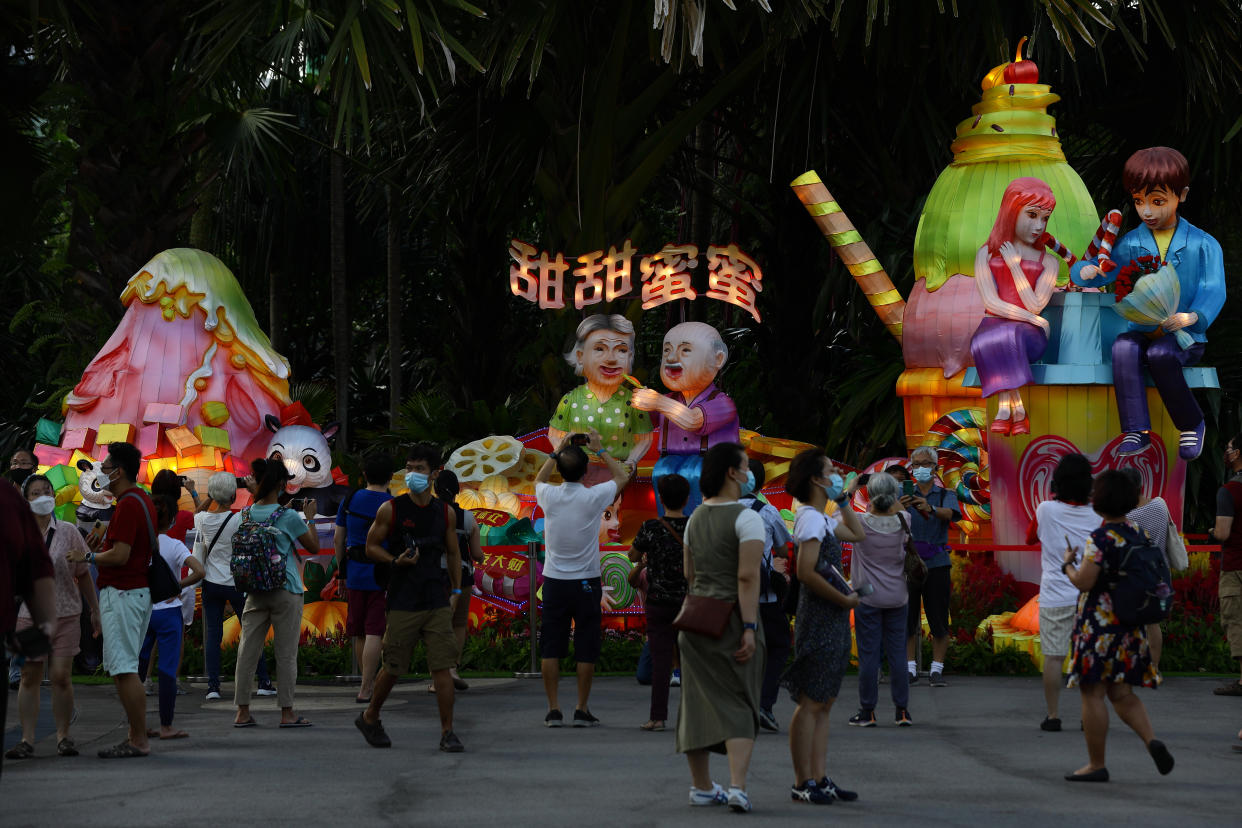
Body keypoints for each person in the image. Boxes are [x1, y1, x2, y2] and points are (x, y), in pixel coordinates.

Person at [1073, 147, 1225, 459]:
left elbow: (1214, 290)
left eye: (1157, 201)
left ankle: (1191, 422)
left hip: (1184, 336)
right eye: (1139, 201)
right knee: (1124, 347)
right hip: (1143, 329)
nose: (1147, 211)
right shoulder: (1129, 242)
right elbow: (1101, 272)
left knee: (1161, 354)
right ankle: (1135, 429)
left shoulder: (1204, 244)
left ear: (1181, 195)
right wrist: (1087, 271)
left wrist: (1191, 317)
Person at [1062, 469, 1173, 782]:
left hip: (1099, 628)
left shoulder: (1100, 538)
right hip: (1130, 627)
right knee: (1122, 694)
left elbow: (1084, 582)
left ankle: (1097, 764)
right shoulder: (1140, 533)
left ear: (1099, 502)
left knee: (1092, 694)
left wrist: (1068, 564)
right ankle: (1152, 740)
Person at [355, 443, 464, 752]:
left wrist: (456, 590)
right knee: (392, 667)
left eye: (419, 469)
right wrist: (393, 561)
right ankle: (370, 715)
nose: (412, 474)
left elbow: (454, 553)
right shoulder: (391, 508)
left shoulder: (445, 512)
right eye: (409, 468)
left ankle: (447, 732)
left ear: (435, 474)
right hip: (403, 599)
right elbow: (370, 546)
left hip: (436, 598)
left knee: (442, 667)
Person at [676, 442, 765, 813]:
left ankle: (701, 787)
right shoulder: (748, 518)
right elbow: (747, 577)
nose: (749, 474)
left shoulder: (695, 517)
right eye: (745, 467)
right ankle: (737, 787)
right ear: (732, 472)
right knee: (741, 702)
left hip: (695, 618)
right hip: (731, 618)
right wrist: (748, 626)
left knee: (695, 704)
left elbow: (689, 573)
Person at [66, 441, 156, 758]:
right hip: (130, 593)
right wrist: (104, 535)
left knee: (124, 669)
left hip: (124, 594)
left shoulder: (130, 504)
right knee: (124, 668)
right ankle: (136, 735)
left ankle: (138, 739)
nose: (101, 472)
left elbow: (121, 556)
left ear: (118, 472)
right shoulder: (136, 500)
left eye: (105, 468)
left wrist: (87, 556)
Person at [534, 429, 629, 727]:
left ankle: (553, 709)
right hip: (587, 582)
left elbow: (537, 479)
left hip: (554, 582)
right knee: (586, 645)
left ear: (559, 469)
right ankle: (581, 708)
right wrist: (599, 449)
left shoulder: (548, 495)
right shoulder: (593, 497)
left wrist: (557, 450)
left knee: (551, 646)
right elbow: (622, 477)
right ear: (586, 471)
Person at [780, 449, 860, 805]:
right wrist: (843, 600)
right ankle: (802, 781)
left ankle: (820, 777)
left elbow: (857, 533)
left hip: (832, 616)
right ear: (815, 478)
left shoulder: (822, 518)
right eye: (830, 471)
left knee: (824, 702)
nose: (836, 475)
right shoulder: (810, 519)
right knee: (811, 702)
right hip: (821, 616)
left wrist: (843, 500)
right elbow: (805, 571)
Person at [6, 474, 99, 760]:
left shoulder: (69, 531)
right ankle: (27, 739)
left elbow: (83, 574)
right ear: (26, 500)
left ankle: (63, 737)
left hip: (67, 613)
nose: (43, 496)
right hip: (29, 616)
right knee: (30, 677)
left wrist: (94, 609)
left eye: (47, 491)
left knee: (61, 676)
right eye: (36, 493)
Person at [232, 459, 319, 729]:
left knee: (247, 650)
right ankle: (287, 713)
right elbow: (313, 547)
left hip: (254, 590)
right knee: (285, 652)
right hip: (286, 588)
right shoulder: (287, 516)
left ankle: (242, 712)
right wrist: (310, 518)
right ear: (281, 485)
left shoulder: (244, 516)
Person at [969, 177, 1060, 435]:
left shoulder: (1050, 263)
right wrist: (1033, 319)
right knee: (985, 338)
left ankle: (1004, 410)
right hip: (999, 325)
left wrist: (1014, 267)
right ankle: (1017, 409)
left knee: (1009, 333)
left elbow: (1034, 304)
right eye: (1032, 215)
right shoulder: (985, 253)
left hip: (1028, 336)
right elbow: (990, 302)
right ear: (1011, 211)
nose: (1039, 225)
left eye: (1044, 218)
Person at [632, 321, 740, 515]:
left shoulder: (722, 403)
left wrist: (657, 403)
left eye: (686, 350)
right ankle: (671, 527)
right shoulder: (666, 400)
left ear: (718, 359)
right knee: (661, 474)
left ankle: (700, 531)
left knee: (696, 476)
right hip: (669, 461)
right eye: (667, 350)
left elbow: (693, 421)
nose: (672, 357)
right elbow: (641, 423)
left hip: (711, 463)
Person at [193, 471, 275, 701]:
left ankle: (213, 687)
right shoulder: (241, 518)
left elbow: (197, 512)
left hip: (211, 582)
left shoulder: (203, 520)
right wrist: (251, 489)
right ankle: (264, 681)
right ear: (232, 496)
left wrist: (209, 496)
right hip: (238, 582)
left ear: (212, 494)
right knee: (251, 633)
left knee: (213, 636)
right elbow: (260, 510)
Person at [1032, 453, 1100, 731]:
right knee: (1089, 658)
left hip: (1054, 594)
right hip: (1088, 596)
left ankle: (1053, 716)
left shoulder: (1045, 509)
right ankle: (1089, 716)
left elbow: (1034, 535)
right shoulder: (1098, 515)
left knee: (1053, 656)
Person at [548, 313, 653, 482]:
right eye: (599, 349)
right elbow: (555, 433)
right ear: (581, 357)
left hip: (618, 474)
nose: (611, 359)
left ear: (630, 357)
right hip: (579, 475)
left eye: (621, 350)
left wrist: (632, 461)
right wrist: (566, 458)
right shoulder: (571, 400)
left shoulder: (634, 402)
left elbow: (645, 437)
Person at [844, 472, 913, 728]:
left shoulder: (860, 521)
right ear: (893, 495)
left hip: (867, 596)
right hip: (897, 595)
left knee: (869, 654)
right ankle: (902, 710)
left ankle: (868, 710)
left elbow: (834, 517)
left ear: (870, 496)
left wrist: (852, 490)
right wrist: (889, 494)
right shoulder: (904, 519)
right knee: (897, 654)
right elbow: (896, 506)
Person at [1, 481, 56, 781]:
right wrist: (44, 624)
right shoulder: (8, 498)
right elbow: (37, 570)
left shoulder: (8, 499)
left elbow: (36, 567)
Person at [137, 495, 204, 740]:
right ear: (172, 519)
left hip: (143, 611)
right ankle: (166, 725)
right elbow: (199, 571)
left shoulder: (139, 543)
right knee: (166, 670)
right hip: (169, 612)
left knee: (138, 669)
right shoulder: (174, 544)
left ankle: (138, 725)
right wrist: (177, 585)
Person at [629, 473, 690, 731]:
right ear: (687, 498)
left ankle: (657, 717)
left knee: (661, 662)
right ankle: (693, 719)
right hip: (689, 603)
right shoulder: (694, 526)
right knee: (692, 662)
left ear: (661, 499)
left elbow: (633, 554)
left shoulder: (650, 528)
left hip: (658, 601)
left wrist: (645, 558)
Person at [333, 454, 394, 703]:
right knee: (375, 631)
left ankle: (365, 683)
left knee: (359, 632)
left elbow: (338, 538)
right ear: (390, 476)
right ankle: (368, 686)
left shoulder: (350, 499)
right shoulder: (393, 504)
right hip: (382, 573)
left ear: (365, 475)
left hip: (355, 571)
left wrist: (341, 572)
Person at [737, 457, 793, 732]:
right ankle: (764, 704)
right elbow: (783, 548)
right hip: (763, 597)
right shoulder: (767, 512)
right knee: (778, 645)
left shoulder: (714, 511)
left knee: (733, 650)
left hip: (728, 597)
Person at [902, 446, 960, 687]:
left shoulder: (945, 493)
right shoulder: (904, 495)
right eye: (916, 464)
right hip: (909, 562)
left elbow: (952, 513)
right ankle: (909, 668)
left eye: (926, 463)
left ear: (935, 468)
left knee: (938, 618)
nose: (921, 468)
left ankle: (936, 669)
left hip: (937, 562)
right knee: (907, 617)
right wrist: (898, 506)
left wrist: (931, 508)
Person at [434, 469, 483, 692]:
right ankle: (453, 669)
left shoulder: (429, 514)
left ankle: (438, 678)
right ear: (457, 492)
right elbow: (476, 553)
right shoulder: (467, 517)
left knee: (435, 625)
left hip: (433, 575)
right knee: (459, 624)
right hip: (462, 576)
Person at [1120, 466, 1172, 671]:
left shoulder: (1129, 517)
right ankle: (1154, 666)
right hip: (1160, 572)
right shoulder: (1160, 505)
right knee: (1153, 623)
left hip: (1137, 575)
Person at [1211, 432, 1242, 695]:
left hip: (1236, 566)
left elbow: (1223, 533)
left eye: (1230, 448)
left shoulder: (1229, 490)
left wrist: (1213, 531)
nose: (1227, 452)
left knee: (1237, 621)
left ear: (1238, 453)